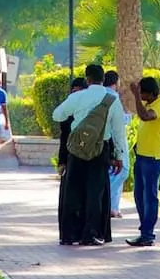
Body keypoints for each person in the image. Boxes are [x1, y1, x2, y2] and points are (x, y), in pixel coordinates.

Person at [51, 63, 128, 246]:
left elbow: (57, 115)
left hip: (77, 150)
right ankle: (91, 233)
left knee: (74, 191)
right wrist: (119, 155)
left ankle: (70, 234)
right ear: (103, 80)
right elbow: (118, 131)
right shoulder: (112, 100)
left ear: (88, 79)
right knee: (95, 192)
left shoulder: (78, 96)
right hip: (100, 150)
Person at [125, 76, 160, 247]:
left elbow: (145, 117)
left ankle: (148, 234)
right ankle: (145, 230)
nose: (140, 95)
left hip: (153, 159)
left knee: (149, 197)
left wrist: (135, 95)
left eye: (142, 92)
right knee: (139, 196)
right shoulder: (150, 104)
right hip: (142, 156)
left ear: (150, 93)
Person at [102, 70, 126, 218]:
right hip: (115, 140)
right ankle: (109, 205)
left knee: (114, 174)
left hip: (106, 139)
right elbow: (119, 120)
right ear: (115, 82)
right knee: (120, 172)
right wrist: (128, 116)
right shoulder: (113, 97)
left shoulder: (101, 95)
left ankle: (113, 207)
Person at [56, 76, 88, 170]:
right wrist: (62, 161)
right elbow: (64, 136)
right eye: (75, 93)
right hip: (72, 155)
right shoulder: (67, 111)